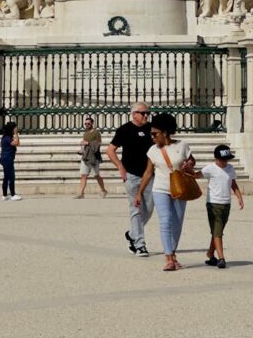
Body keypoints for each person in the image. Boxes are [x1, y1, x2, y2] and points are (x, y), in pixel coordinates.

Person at [135, 113, 193, 271]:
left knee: (177, 223)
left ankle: (173, 254)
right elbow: (148, 173)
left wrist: (189, 165)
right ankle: (168, 257)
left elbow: (191, 161)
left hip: (180, 188)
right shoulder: (152, 150)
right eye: (151, 134)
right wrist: (139, 192)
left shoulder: (182, 145)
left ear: (165, 133)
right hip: (160, 188)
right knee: (165, 220)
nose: (152, 137)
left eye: (155, 134)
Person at [106, 102, 154, 256]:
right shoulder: (124, 130)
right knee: (136, 209)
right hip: (132, 175)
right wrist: (120, 167)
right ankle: (140, 244)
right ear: (134, 114)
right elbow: (110, 150)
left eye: (147, 113)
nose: (146, 115)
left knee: (149, 209)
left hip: (149, 175)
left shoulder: (151, 129)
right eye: (143, 113)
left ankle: (132, 234)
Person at [194, 145, 244, 269]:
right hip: (213, 203)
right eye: (222, 159)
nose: (225, 162)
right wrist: (187, 169)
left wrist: (239, 197)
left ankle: (210, 253)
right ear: (216, 158)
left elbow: (233, 183)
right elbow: (196, 175)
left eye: (227, 159)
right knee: (218, 231)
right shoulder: (210, 168)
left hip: (226, 203)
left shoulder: (230, 168)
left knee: (218, 230)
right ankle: (221, 258)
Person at [75, 116, 108, 199]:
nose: (86, 125)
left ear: (92, 123)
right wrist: (81, 150)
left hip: (94, 157)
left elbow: (98, 144)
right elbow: (84, 145)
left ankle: (103, 190)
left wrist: (88, 143)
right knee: (83, 175)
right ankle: (81, 193)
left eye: (88, 123)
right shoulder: (85, 133)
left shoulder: (96, 133)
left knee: (96, 175)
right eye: (85, 123)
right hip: (86, 157)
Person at [0, 120, 21, 201]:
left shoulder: (6, 137)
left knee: (6, 177)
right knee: (11, 177)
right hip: (7, 159)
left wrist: (15, 135)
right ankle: (13, 194)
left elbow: (17, 143)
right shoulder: (7, 138)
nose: (16, 129)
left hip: (5, 158)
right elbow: (17, 143)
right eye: (15, 128)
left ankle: (4, 195)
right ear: (11, 129)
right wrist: (16, 134)